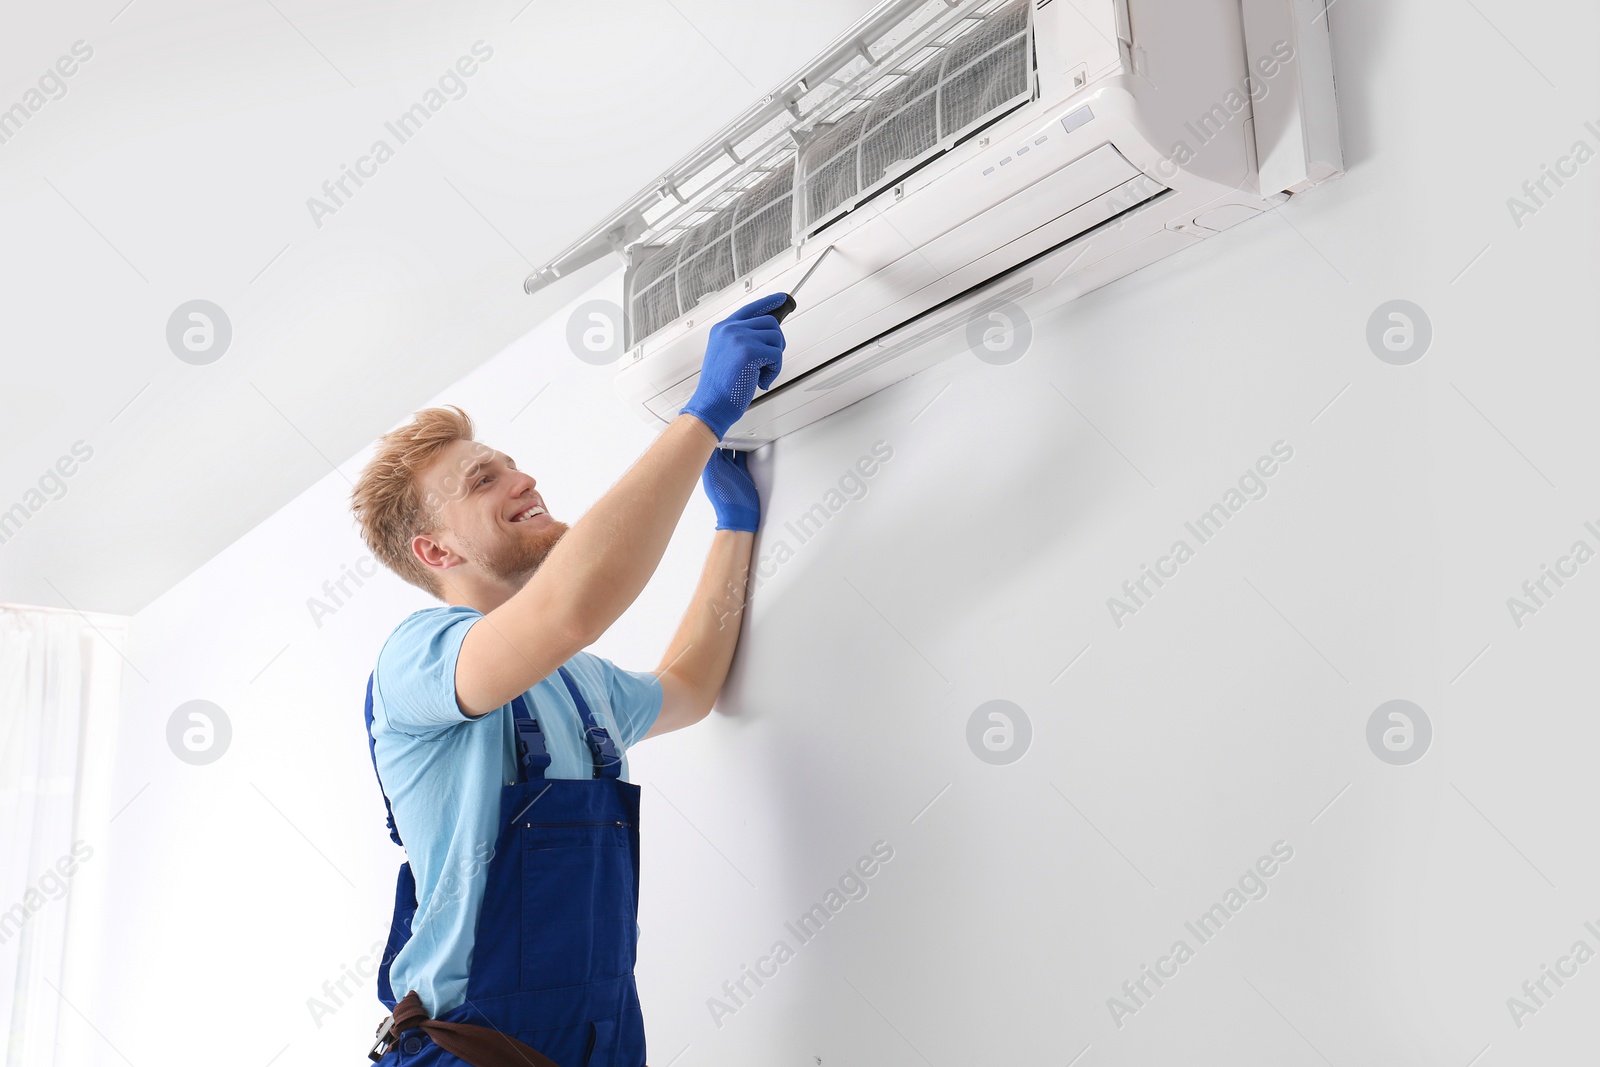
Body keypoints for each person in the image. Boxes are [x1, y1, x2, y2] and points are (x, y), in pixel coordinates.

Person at [347, 294, 790, 1066]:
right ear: (436, 552)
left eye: (511, 464)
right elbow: (570, 610)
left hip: (603, 1042)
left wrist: (735, 528)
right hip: (470, 1049)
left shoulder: (578, 685)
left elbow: (688, 685)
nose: (522, 479)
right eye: (485, 480)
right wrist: (703, 416)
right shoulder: (416, 659)